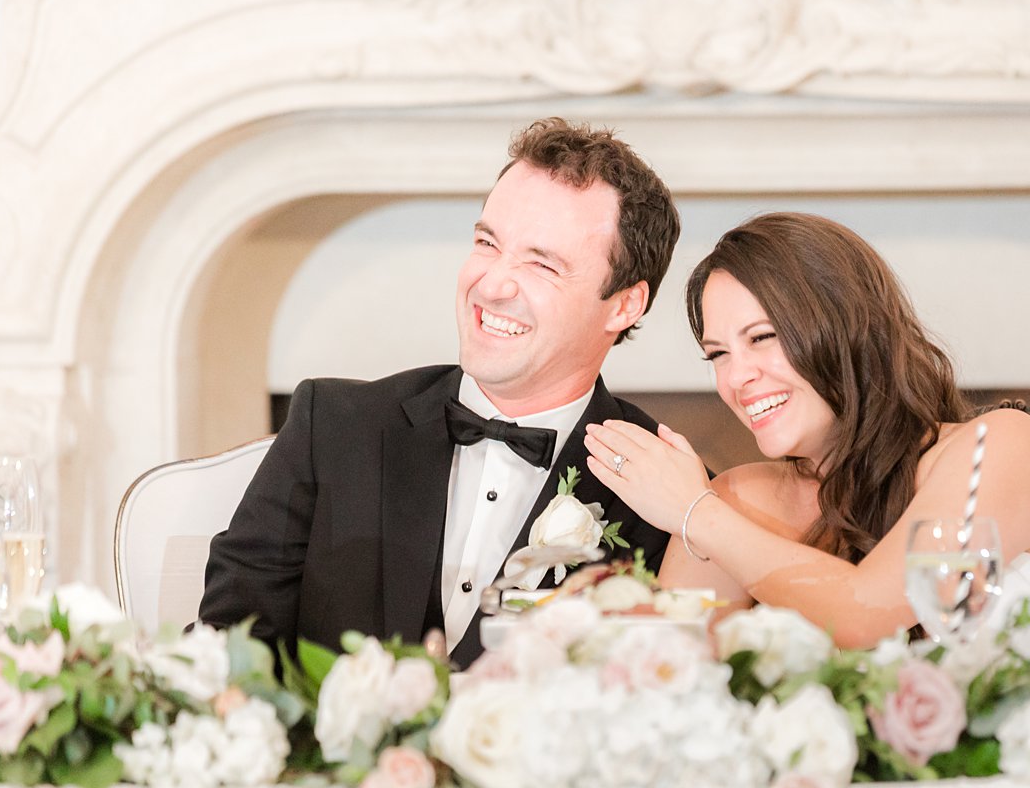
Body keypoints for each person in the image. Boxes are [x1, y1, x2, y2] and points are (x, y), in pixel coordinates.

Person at [199, 118, 681, 668]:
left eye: (541, 263)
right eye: (487, 243)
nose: (492, 284)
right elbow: (226, 649)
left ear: (624, 305)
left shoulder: (666, 495)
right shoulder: (330, 427)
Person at [581, 212, 1030, 647]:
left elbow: (866, 615)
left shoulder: (999, 447)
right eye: (718, 355)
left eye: (762, 337)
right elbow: (665, 680)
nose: (736, 378)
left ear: (849, 326)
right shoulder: (737, 499)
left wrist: (693, 512)